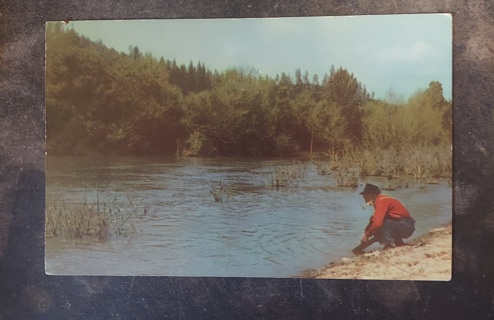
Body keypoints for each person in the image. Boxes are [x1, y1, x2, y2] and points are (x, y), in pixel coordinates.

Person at [359, 183, 415, 249]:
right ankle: (398, 242)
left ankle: (390, 244)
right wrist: (366, 233)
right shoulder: (382, 200)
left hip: (406, 226)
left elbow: (377, 223)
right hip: (405, 225)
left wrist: (367, 234)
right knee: (379, 224)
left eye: (366, 199)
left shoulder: (382, 202)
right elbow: (373, 219)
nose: (366, 202)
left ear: (373, 195)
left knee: (381, 224)